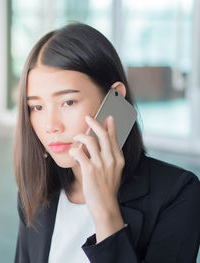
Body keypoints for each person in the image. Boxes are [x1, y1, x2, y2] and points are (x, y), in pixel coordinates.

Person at [12, 23, 200, 263]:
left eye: (68, 102)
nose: (51, 125)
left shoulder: (177, 193)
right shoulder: (38, 190)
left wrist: (104, 209)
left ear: (115, 98)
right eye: (36, 107)